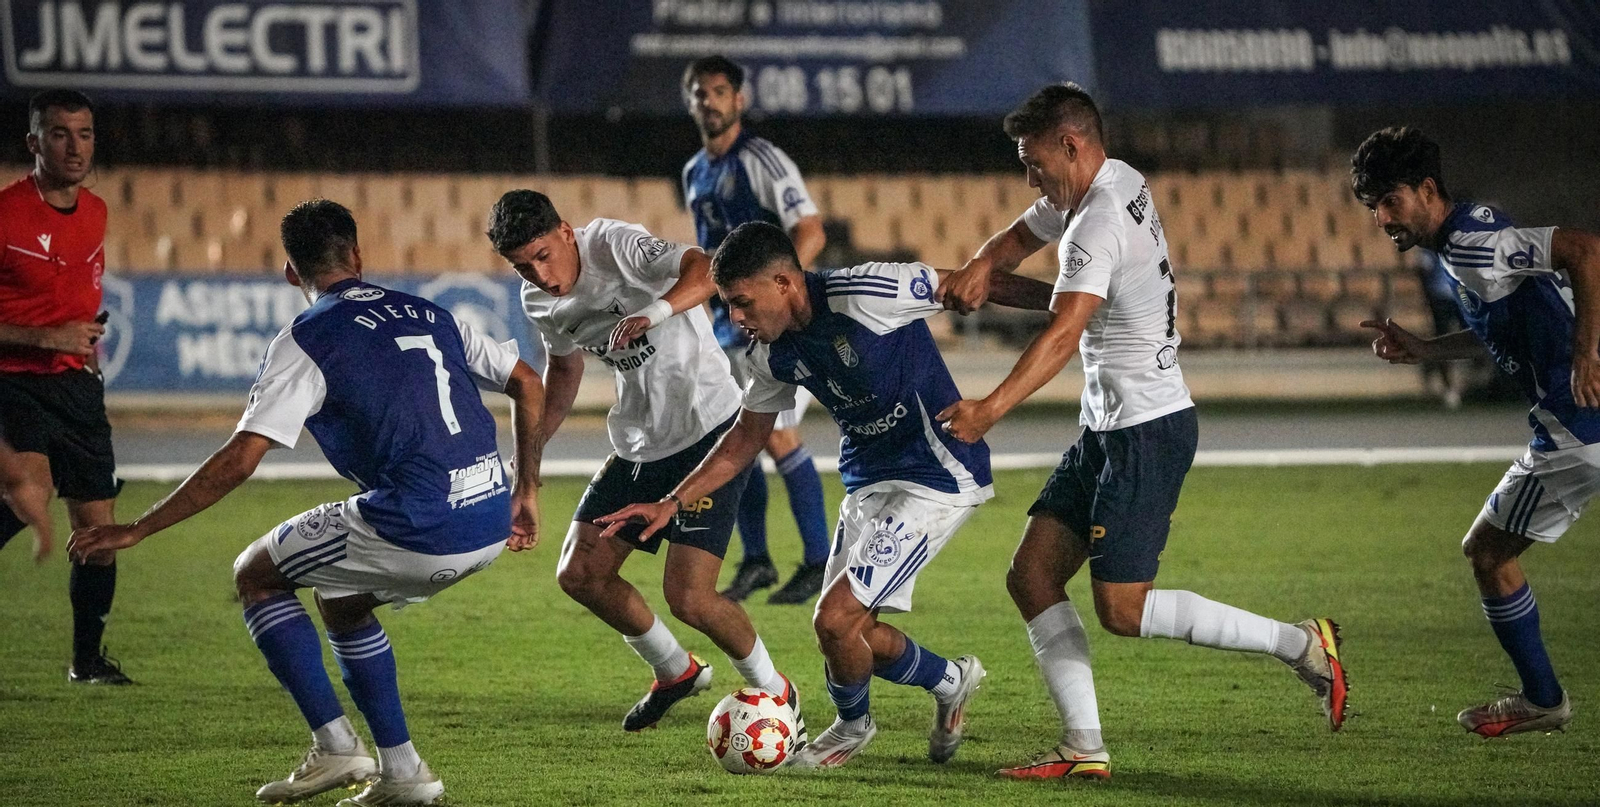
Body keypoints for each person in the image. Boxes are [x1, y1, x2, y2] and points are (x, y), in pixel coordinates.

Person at [70, 200, 545, 807]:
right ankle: (404, 774)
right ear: (357, 256)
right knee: (342, 601)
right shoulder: (432, 312)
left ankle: (336, 745)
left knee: (256, 575)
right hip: (489, 515)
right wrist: (525, 490)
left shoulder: (307, 338)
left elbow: (242, 458)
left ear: (291, 273)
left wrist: (136, 529)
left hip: (418, 523)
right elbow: (528, 382)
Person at [936, 84, 1348, 780]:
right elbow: (1025, 238)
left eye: (1034, 162)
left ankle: (1301, 642)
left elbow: (1065, 331)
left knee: (1123, 608)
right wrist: (983, 265)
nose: (1028, 177)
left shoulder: (1097, 221)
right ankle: (1083, 745)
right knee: (1031, 575)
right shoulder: (1116, 176)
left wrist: (990, 408)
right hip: (1107, 428)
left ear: (1071, 145)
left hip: (1145, 430)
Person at [599, 221, 1054, 768]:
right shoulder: (770, 355)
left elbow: (971, 283)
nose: (735, 319)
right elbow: (745, 439)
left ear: (785, 284)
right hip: (866, 479)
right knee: (851, 634)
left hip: (937, 472)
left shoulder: (867, 293)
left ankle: (851, 727)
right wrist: (671, 502)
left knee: (833, 620)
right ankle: (950, 680)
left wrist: (1069, 304)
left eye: (742, 303)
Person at [486, 190, 802, 734]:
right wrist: (526, 475)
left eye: (542, 255)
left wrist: (652, 312)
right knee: (580, 573)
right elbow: (563, 376)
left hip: (708, 428)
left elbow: (706, 268)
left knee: (690, 597)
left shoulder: (615, 244)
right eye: (521, 266)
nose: (538, 274)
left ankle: (778, 693)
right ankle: (675, 672)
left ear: (565, 231)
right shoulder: (538, 301)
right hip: (638, 439)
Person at [1353, 126, 1600, 737]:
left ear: (1427, 189)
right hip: (1574, 422)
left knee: (1487, 552)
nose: (1382, 218)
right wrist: (1426, 348)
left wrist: (1587, 354)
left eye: (1390, 200)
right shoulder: (1466, 237)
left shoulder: (1469, 243)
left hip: (1575, 428)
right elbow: (1501, 330)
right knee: (1489, 551)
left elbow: (1586, 252)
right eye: (1373, 207)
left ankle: (1543, 699)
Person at [682, 55, 832, 604]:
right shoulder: (694, 171)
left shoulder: (762, 159)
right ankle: (758, 559)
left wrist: (782, 295)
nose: (710, 101)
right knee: (736, 434)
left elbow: (810, 230)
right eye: (701, 93)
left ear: (739, 100)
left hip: (772, 323)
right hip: (728, 328)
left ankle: (818, 560)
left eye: (720, 91)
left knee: (776, 434)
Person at [0, 89, 129, 683]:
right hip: (14, 381)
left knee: (98, 530)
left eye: (84, 134)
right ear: (34, 142)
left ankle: (87, 661)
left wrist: (82, 348)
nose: (74, 147)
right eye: (59, 134)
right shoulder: (6, 214)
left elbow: (76, 297)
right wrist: (46, 338)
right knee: (30, 492)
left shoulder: (98, 212)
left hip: (76, 388)